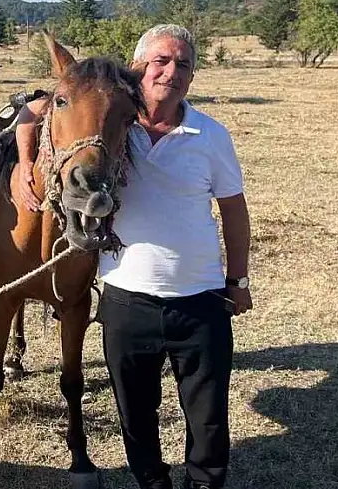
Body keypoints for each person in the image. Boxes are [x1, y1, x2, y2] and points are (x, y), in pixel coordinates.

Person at [13, 24, 252, 489]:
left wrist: (237, 281)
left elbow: (234, 209)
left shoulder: (210, 134)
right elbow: (33, 109)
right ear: (138, 67)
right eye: (161, 60)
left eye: (183, 64)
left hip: (200, 297)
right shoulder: (113, 122)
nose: (172, 71)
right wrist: (25, 163)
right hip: (126, 299)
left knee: (207, 419)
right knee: (135, 414)